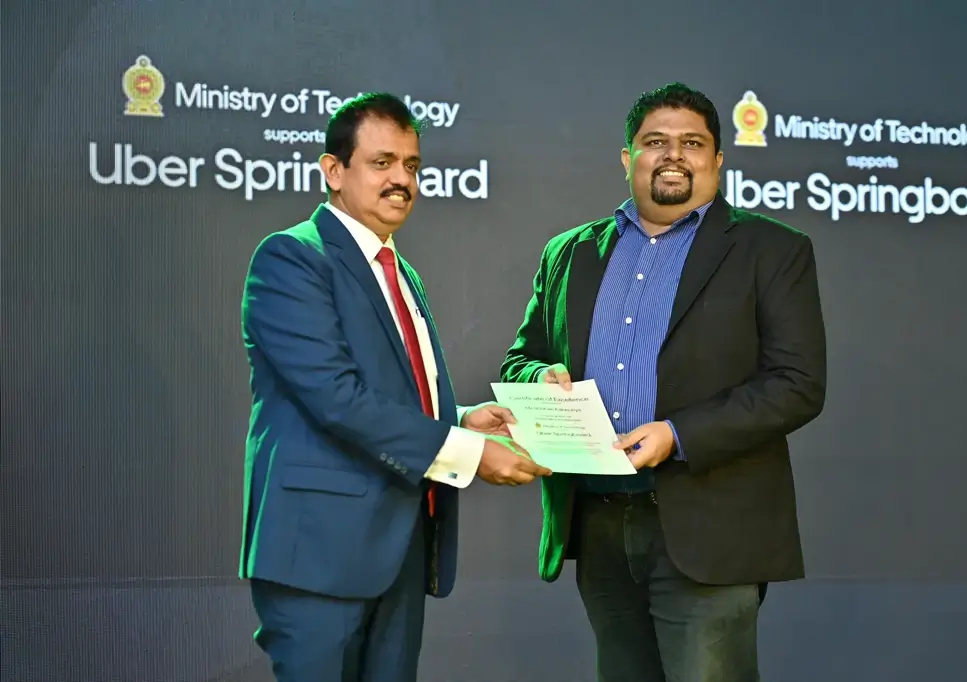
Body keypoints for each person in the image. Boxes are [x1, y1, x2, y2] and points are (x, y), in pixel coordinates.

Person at [500, 82, 827, 682]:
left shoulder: (772, 250)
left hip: (711, 527)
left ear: (717, 161)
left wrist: (677, 434)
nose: (673, 155)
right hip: (598, 522)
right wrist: (540, 376)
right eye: (655, 142)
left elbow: (797, 383)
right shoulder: (569, 252)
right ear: (627, 158)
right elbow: (521, 360)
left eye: (692, 144)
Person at [239, 92, 551, 682]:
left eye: (411, 165)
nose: (401, 180)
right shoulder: (291, 258)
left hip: (399, 547)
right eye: (381, 163)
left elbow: (394, 396)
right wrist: (468, 452)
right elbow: (337, 398)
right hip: (319, 556)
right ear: (334, 171)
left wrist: (461, 418)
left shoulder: (399, 270)